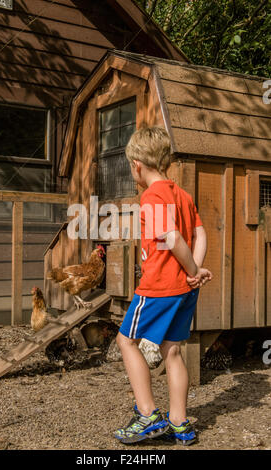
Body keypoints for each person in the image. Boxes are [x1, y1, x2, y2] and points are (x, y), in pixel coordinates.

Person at [114, 127, 213, 446]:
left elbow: (172, 238)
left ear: (138, 165)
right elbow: (200, 233)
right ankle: (180, 423)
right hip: (184, 289)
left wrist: (192, 268)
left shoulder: (152, 195)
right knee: (172, 351)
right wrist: (194, 274)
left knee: (126, 340)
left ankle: (146, 414)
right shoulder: (182, 194)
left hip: (159, 287)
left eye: (131, 166)